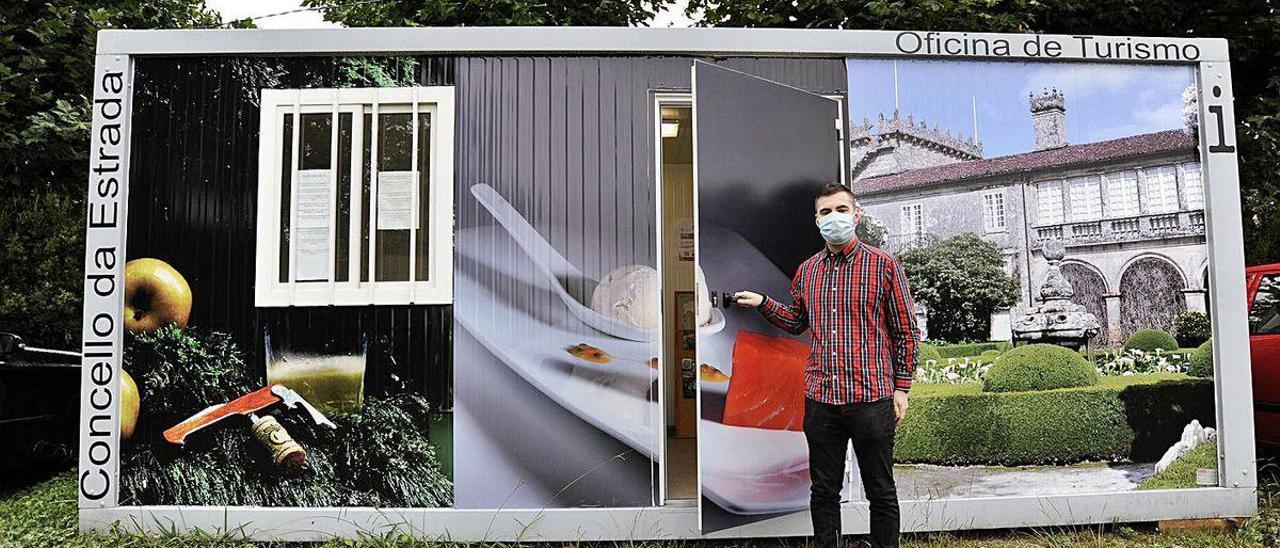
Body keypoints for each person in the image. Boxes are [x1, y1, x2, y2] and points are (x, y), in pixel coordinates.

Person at [734, 182, 920, 548]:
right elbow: (796, 321)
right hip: (822, 402)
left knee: (881, 490)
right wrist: (762, 302)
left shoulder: (883, 265)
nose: (833, 218)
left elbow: (907, 331)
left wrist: (902, 388)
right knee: (823, 492)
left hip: (871, 398)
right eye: (825, 212)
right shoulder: (807, 271)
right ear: (816, 221)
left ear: (856, 215)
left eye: (840, 210)